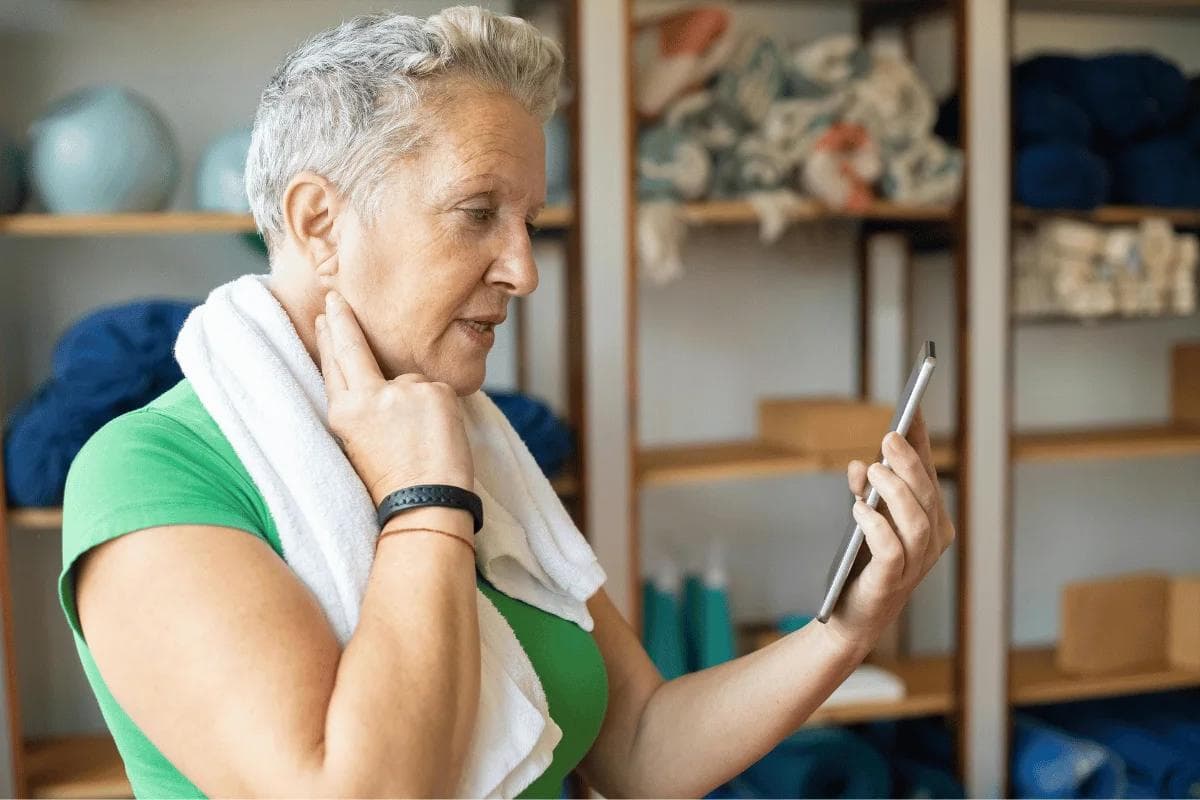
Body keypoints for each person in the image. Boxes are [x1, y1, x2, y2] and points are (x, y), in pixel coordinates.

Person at [60, 6, 955, 798]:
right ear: (319, 224)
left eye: (528, 219)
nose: (522, 268)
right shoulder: (147, 475)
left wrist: (847, 629)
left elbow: (640, 751)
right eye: (477, 212)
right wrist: (423, 508)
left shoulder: (470, 439)